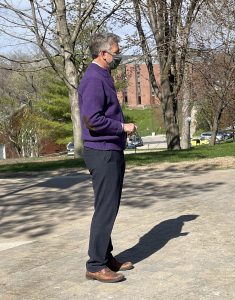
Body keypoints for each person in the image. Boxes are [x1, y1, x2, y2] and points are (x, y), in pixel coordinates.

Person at [79, 33, 137, 283]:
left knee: (108, 206)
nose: (119, 53)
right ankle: (95, 264)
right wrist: (122, 127)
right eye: (116, 50)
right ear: (103, 54)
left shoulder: (103, 76)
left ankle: (105, 256)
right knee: (105, 208)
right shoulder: (93, 79)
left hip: (110, 149)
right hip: (102, 151)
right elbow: (92, 120)